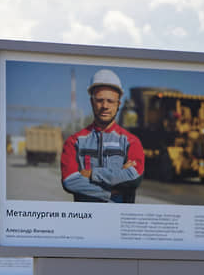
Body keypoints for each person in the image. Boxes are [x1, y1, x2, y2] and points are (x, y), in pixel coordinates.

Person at [60, 69, 145, 203]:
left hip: (119, 220)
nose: (105, 106)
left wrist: (93, 174)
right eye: (99, 100)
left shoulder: (131, 142)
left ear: (118, 104)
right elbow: (69, 180)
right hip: (86, 220)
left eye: (110, 101)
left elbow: (134, 177)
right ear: (91, 102)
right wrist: (109, 193)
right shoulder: (74, 142)